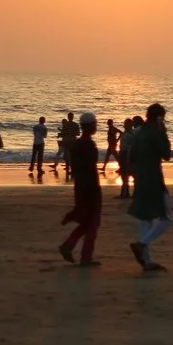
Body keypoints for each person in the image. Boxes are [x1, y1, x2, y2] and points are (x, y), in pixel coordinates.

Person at [128, 103, 173, 271]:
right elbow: (166, 154)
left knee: (145, 219)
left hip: (140, 180)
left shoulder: (139, 134)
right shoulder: (155, 133)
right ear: (159, 118)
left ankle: (146, 261)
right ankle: (142, 244)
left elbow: (131, 158)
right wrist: (164, 133)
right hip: (153, 180)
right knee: (167, 217)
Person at [60, 112, 102, 266]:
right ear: (91, 126)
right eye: (94, 124)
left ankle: (69, 245)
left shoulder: (77, 144)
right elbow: (90, 166)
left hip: (81, 185)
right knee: (92, 221)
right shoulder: (88, 145)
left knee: (87, 220)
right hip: (89, 186)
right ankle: (84, 256)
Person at [53, 112, 80, 181]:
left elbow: (63, 134)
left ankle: (70, 169)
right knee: (71, 156)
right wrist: (72, 133)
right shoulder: (75, 125)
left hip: (66, 142)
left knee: (67, 156)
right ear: (73, 117)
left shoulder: (65, 125)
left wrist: (59, 134)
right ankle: (71, 169)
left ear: (68, 117)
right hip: (73, 141)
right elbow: (78, 134)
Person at [117, 117, 135, 198]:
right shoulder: (126, 133)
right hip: (122, 153)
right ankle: (125, 191)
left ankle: (125, 192)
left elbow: (131, 146)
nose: (124, 125)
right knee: (123, 173)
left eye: (126, 124)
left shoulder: (131, 134)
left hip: (126, 154)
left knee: (126, 173)